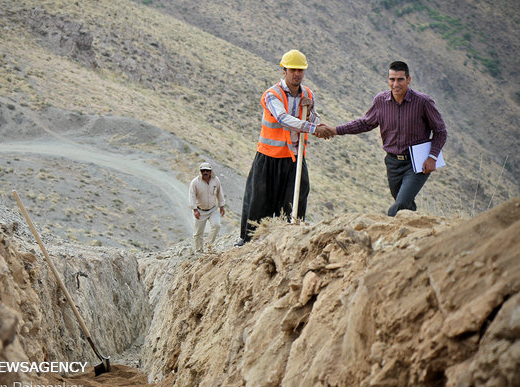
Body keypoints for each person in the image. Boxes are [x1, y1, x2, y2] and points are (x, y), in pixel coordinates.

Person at [315, 61, 447, 216]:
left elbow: (440, 131)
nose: (395, 84)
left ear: (409, 79)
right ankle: (415, 235)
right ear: (388, 80)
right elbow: (365, 123)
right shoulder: (380, 101)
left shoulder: (423, 102)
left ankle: (386, 228)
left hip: (416, 163)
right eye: (392, 79)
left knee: (399, 205)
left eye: (400, 79)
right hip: (392, 162)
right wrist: (336, 130)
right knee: (405, 206)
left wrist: (432, 157)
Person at [237, 49, 322, 246]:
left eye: (300, 70)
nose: (297, 74)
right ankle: (249, 239)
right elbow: (283, 119)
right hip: (269, 156)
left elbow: (315, 118)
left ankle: (290, 238)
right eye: (293, 70)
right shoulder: (271, 94)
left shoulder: (308, 94)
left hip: (294, 156)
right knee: (260, 198)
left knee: (296, 196)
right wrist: (314, 128)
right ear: (283, 71)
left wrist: (310, 113)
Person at [189, 162, 226, 252]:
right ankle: (199, 250)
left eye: (207, 171)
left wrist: (221, 206)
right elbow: (192, 196)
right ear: (200, 171)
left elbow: (219, 193)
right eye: (203, 171)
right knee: (198, 233)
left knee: (217, 225)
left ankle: (208, 245)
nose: (205, 172)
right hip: (200, 211)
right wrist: (195, 210)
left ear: (210, 171)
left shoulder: (215, 180)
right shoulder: (195, 182)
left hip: (213, 209)